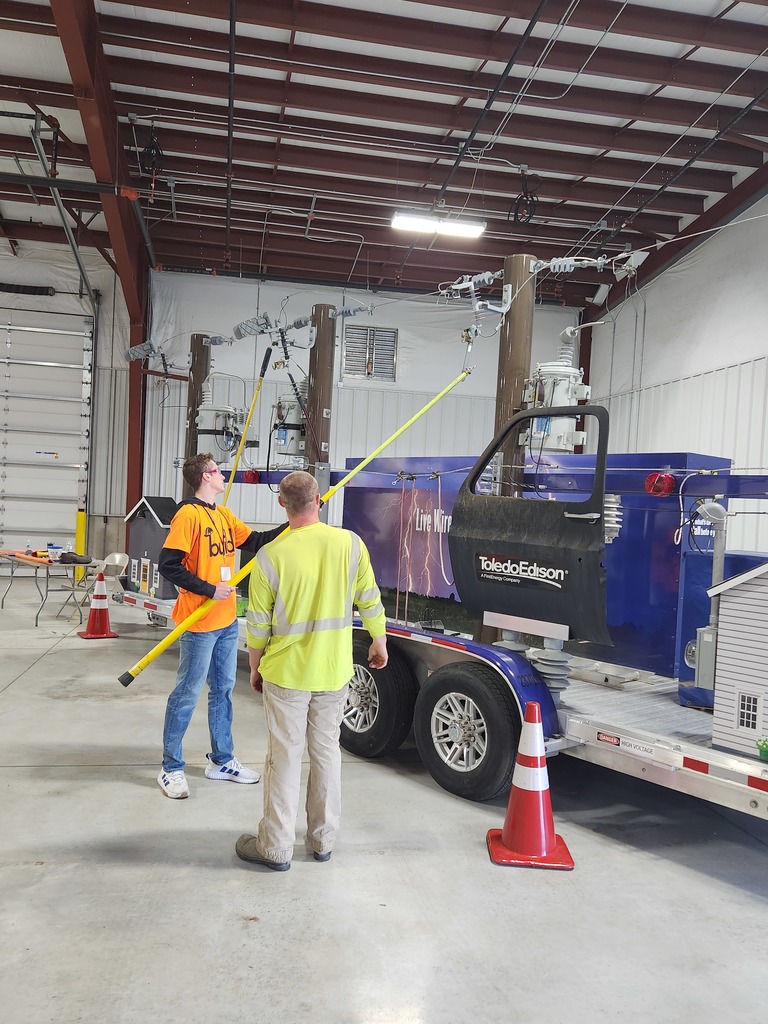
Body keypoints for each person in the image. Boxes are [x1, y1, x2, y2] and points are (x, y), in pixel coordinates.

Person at [236, 470, 388, 870]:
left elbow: (257, 625)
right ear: (318, 500)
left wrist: (255, 669)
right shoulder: (350, 545)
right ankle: (322, 841)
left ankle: (275, 847)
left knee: (283, 758)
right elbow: (370, 599)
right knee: (326, 755)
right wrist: (379, 639)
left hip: (285, 674)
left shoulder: (270, 556)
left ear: (281, 505)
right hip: (334, 672)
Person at [156, 453, 284, 799]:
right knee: (187, 692)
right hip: (200, 621)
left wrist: (295, 520)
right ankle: (171, 767)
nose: (223, 475)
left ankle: (222, 760)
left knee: (223, 690)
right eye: (218, 471)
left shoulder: (224, 514)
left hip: (227, 620)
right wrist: (209, 589)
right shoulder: (188, 515)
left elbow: (255, 542)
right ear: (205, 476)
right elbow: (167, 564)